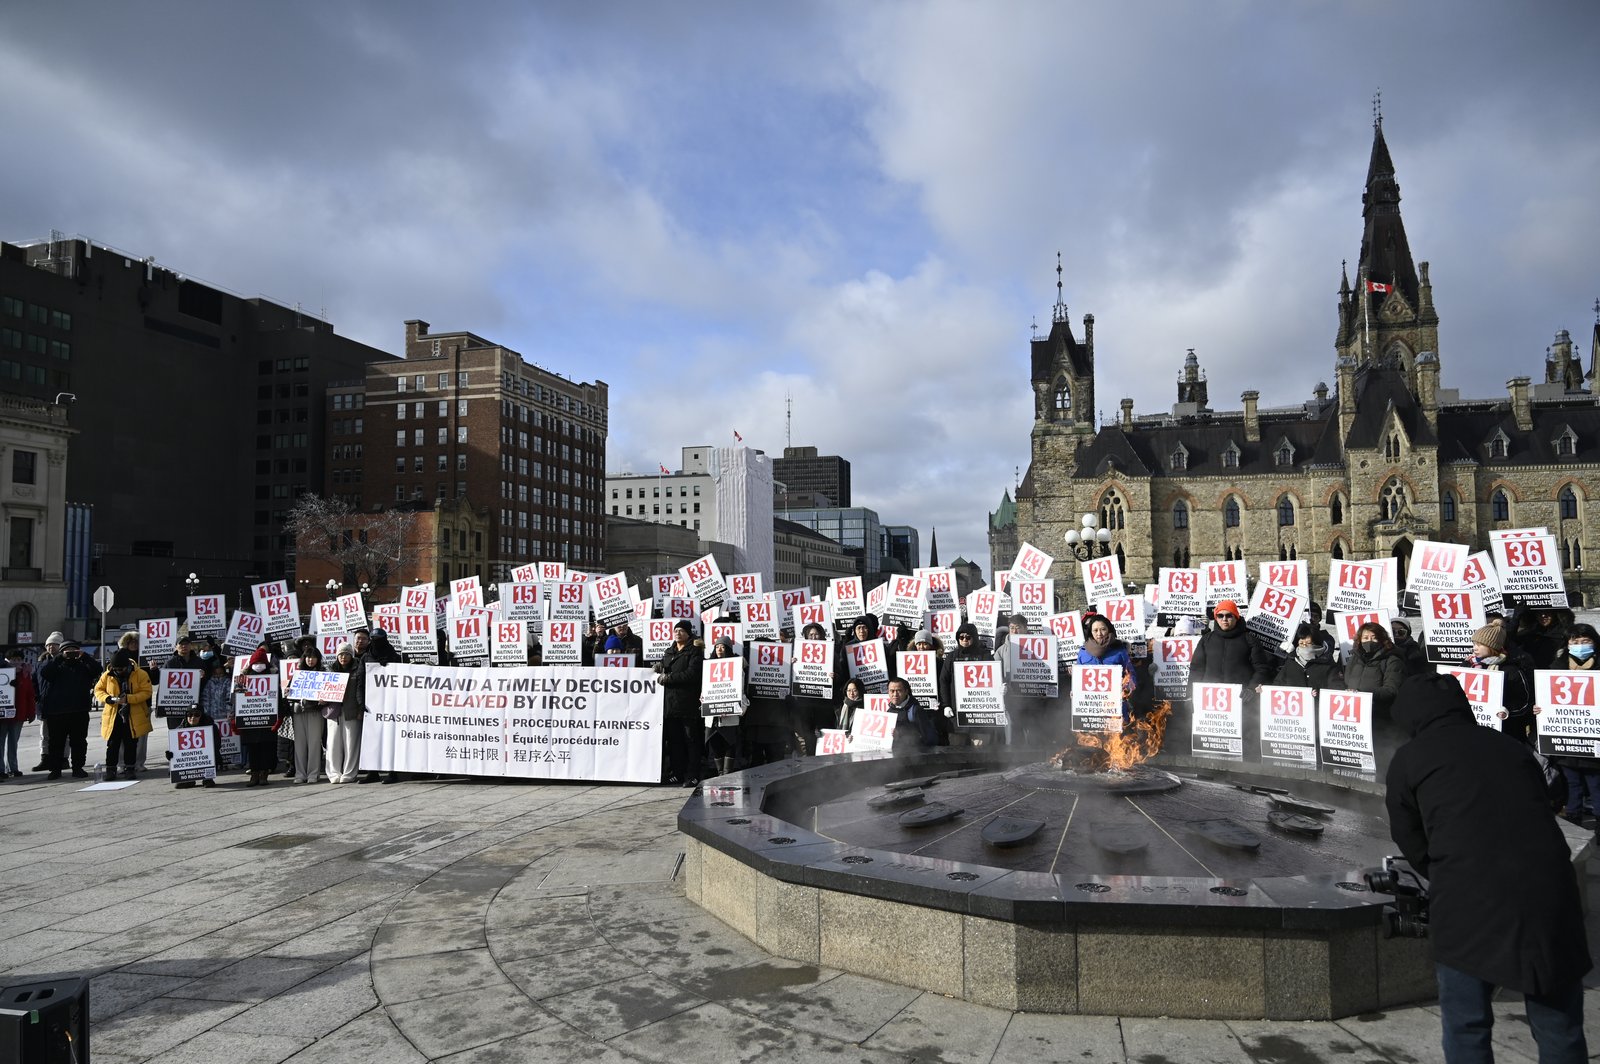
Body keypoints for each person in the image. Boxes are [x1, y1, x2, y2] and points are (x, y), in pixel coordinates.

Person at [1386, 672, 1590, 1063]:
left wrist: (1442, 870)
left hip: (1468, 897)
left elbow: (1408, 835)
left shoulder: (1411, 758)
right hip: (1549, 890)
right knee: (1559, 1024)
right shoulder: (1510, 747)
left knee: (1467, 1024)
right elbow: (1538, 805)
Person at [1548, 623, 1600, 825]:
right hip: (1566, 740)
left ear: (1594, 643)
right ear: (1567, 644)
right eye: (1575, 642)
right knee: (1572, 784)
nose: (1580, 645)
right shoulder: (1556, 667)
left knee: (1595, 785)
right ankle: (1574, 820)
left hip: (1593, 740)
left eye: (1585, 641)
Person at [1464, 623, 1536, 745]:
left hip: (1506, 732)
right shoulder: (1467, 665)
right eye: (1474, 644)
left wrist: (1506, 711)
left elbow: (1524, 702)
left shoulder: (1511, 671)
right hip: (1475, 730)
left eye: (1480, 644)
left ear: (1493, 647)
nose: (1475, 648)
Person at [38, 641, 98, 778]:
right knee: (56, 743)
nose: (71, 653)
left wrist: (85, 656)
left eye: (74, 650)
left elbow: (97, 670)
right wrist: (59, 657)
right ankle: (55, 769)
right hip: (56, 712)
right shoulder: (56, 665)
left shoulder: (83, 665)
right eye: (68, 650)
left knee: (79, 742)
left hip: (79, 710)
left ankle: (78, 767)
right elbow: (45, 673)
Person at [655, 620, 704, 786]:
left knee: (691, 740)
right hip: (670, 705)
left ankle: (693, 775)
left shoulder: (695, 651)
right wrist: (660, 667)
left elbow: (692, 674)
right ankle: (677, 773)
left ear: (688, 634)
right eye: (676, 630)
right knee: (675, 741)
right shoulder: (669, 652)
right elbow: (666, 667)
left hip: (687, 704)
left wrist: (670, 678)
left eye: (681, 630)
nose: (677, 633)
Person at [95, 648, 153, 780]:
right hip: (113, 715)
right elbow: (98, 690)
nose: (118, 672)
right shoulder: (107, 674)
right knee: (112, 744)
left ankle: (130, 769)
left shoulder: (140, 674)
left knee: (131, 743)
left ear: (127, 666)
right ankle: (111, 770)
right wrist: (107, 698)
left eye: (120, 669)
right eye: (116, 669)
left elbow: (147, 692)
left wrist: (129, 698)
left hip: (133, 714)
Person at [1190, 600, 1273, 691]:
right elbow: (1196, 669)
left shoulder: (1250, 640)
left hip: (1240, 698)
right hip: (1209, 697)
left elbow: (1261, 668)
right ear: (1216, 618)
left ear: (1236, 617)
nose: (1224, 619)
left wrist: (1252, 688)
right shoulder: (1206, 639)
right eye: (1220, 615)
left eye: (1229, 615)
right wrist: (1190, 695)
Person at [1077, 614, 1137, 729]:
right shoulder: (1083, 652)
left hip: (1115, 708)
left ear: (1109, 629)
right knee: (1092, 743)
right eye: (1095, 630)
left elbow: (1131, 674)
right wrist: (1074, 691)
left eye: (1103, 629)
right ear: (1090, 632)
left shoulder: (1119, 651)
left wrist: (1126, 688)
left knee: (1117, 743)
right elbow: (1079, 679)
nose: (1099, 634)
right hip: (1091, 710)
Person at [938, 622, 991, 746]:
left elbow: (994, 678)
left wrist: (1000, 691)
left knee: (980, 749)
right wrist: (946, 705)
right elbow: (944, 681)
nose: (964, 640)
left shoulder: (985, 656)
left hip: (980, 713)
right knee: (956, 750)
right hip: (957, 712)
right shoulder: (952, 657)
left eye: (968, 637)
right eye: (961, 637)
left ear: (974, 638)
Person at [236, 645, 282, 787]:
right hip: (250, 721)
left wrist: (279, 716)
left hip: (267, 720)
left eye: (261, 663)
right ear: (251, 664)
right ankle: (254, 773)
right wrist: (234, 718)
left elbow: (279, 698)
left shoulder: (273, 677)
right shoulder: (243, 679)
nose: (258, 666)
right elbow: (236, 698)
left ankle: (264, 774)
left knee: (267, 748)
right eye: (256, 663)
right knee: (252, 749)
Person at [1344, 621, 1406, 721]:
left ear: (1382, 639)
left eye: (1374, 637)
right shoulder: (1354, 658)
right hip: (1354, 714)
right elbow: (1346, 682)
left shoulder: (1392, 660)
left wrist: (1362, 694)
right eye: (1365, 638)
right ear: (1359, 640)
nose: (1370, 641)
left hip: (1380, 716)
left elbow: (1391, 690)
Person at [288, 645, 329, 784]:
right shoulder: (298, 674)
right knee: (299, 744)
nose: (310, 660)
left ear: (318, 659)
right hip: (299, 711)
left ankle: (313, 773)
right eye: (308, 657)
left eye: (313, 657)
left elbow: (329, 692)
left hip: (315, 712)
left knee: (314, 743)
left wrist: (325, 700)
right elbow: (289, 694)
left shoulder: (323, 673)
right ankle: (300, 773)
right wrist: (288, 691)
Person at [324, 641, 363, 784]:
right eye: (341, 654)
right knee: (333, 743)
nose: (343, 657)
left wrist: (360, 709)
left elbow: (361, 690)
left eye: (347, 654)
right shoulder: (330, 670)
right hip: (334, 712)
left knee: (351, 744)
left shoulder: (357, 669)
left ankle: (349, 773)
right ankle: (333, 772)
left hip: (351, 711)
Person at [1273, 622, 1344, 694]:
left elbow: (1336, 689)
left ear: (1316, 644)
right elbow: (1277, 684)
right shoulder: (1291, 661)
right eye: (1301, 643)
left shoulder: (1328, 664)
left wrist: (1318, 693)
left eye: (1308, 644)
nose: (1304, 647)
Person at [31, 631, 65, 770]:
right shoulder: (40, 664)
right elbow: (34, 682)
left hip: (62, 705)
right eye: (49, 645)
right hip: (44, 704)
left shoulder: (65, 662)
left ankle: (63, 759)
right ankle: (45, 758)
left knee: (64, 734)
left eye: (55, 644)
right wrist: (36, 696)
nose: (51, 647)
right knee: (44, 735)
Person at [164, 701, 217, 789]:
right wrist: (170, 755)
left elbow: (217, 744)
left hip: (207, 758)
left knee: (209, 755)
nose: (193, 718)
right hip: (190, 761)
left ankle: (207, 778)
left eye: (197, 715)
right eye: (190, 715)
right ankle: (189, 780)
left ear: (202, 716)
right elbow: (175, 749)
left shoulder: (210, 727)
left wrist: (211, 752)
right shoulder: (180, 729)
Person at [2, 647, 36, 777]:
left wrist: (31, 712)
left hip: (19, 714)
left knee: (13, 743)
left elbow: (30, 695)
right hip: (3, 715)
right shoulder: (2, 672)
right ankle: (1, 770)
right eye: (13, 659)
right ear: (8, 660)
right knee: (0, 742)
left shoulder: (25, 674)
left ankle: (12, 768)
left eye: (18, 659)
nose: (16, 662)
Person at [884, 677, 938, 751]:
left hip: (916, 757)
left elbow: (928, 738)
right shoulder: (889, 711)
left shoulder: (916, 711)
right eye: (892, 691)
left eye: (899, 691)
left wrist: (900, 735)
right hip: (897, 758)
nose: (895, 694)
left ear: (906, 691)